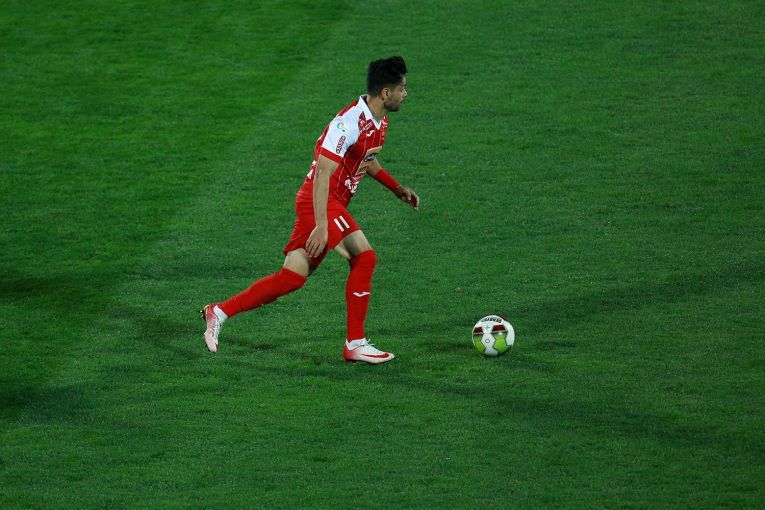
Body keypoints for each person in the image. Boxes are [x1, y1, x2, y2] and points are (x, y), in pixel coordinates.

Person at [200, 56, 419, 364]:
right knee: (364, 257)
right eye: (402, 88)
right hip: (321, 200)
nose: (405, 94)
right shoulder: (348, 123)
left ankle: (218, 312)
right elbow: (322, 174)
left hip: (328, 203)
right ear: (385, 93)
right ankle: (355, 343)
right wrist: (322, 225)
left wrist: (396, 188)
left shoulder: (378, 120)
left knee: (292, 277)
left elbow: (365, 158)